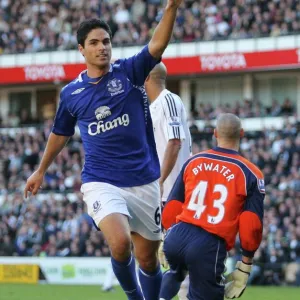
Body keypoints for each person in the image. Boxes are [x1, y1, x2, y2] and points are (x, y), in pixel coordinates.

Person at [24, 1, 183, 299]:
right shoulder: (72, 93)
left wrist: (172, 7)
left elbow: (157, 45)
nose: (102, 48)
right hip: (101, 181)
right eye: (94, 43)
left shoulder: (130, 72)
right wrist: (41, 169)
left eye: (106, 41)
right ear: (81, 50)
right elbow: (61, 132)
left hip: (144, 181)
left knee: (148, 259)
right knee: (121, 243)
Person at [159, 113, 265, 300]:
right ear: (241, 134)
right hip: (208, 243)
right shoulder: (251, 173)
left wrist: (165, 236)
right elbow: (251, 223)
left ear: (215, 133)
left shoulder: (193, 161)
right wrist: (245, 265)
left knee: (176, 273)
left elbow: (173, 205)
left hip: (176, 236)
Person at [145, 62, 191, 300]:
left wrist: (160, 180)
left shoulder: (168, 100)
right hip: (162, 195)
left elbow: (175, 142)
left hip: (175, 193)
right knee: (168, 261)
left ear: (147, 79)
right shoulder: (151, 107)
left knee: (176, 261)